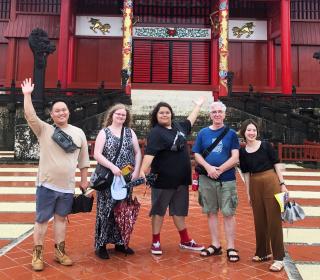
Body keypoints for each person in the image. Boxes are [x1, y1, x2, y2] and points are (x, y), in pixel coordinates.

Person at [21, 78, 90, 271]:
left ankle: (60, 252)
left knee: (61, 219)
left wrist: (84, 180)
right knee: (41, 220)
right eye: (57, 110)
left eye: (64, 110)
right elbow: (30, 116)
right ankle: (37, 255)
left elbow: (83, 159)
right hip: (46, 184)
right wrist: (27, 95)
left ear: (69, 112)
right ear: (51, 114)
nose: (61, 112)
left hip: (67, 186)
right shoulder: (45, 130)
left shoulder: (78, 133)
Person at [140, 98, 205, 255]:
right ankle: (155, 241)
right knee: (158, 211)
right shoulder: (156, 132)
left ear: (171, 114)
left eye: (167, 112)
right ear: (156, 115)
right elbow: (150, 154)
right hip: (162, 179)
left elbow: (190, 120)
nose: (164, 114)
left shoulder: (178, 126)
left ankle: (185, 240)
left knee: (179, 211)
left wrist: (198, 106)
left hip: (181, 179)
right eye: (161, 112)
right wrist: (142, 170)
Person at [192, 101, 240, 262]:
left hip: (226, 179)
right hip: (207, 179)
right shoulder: (203, 133)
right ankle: (215, 244)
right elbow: (197, 154)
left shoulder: (231, 134)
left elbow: (235, 157)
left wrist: (219, 170)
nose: (217, 114)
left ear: (224, 114)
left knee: (228, 213)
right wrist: (208, 168)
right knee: (211, 212)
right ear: (210, 115)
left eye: (220, 112)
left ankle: (231, 246)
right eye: (214, 112)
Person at [239, 119, 288, 272]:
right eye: (248, 130)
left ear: (257, 132)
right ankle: (263, 252)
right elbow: (246, 173)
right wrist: (248, 193)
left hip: (270, 181)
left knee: (273, 220)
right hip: (254, 183)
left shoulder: (266, 145)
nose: (251, 133)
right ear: (243, 132)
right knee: (259, 219)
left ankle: (279, 257)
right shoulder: (242, 151)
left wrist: (282, 184)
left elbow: (276, 165)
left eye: (254, 130)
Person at [93, 103, 142, 259]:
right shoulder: (104, 132)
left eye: (123, 115)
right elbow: (97, 154)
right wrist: (112, 167)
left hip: (126, 179)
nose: (121, 116)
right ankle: (101, 244)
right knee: (105, 211)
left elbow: (137, 152)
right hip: (109, 178)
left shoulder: (130, 132)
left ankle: (121, 242)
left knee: (123, 210)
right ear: (111, 115)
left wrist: (137, 170)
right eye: (118, 114)